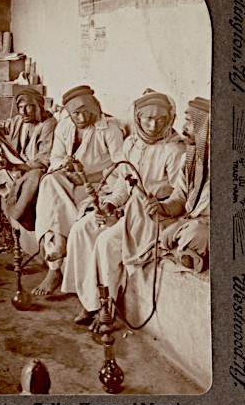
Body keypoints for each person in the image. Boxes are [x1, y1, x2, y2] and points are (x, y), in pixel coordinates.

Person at [60, 90, 186, 328]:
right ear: (137, 118)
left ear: (170, 118)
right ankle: (89, 300)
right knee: (83, 229)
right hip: (129, 210)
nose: (153, 125)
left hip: (153, 216)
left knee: (107, 241)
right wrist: (109, 205)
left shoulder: (174, 150)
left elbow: (178, 196)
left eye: (160, 119)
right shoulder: (132, 144)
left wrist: (159, 204)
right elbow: (122, 184)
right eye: (147, 118)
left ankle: (106, 307)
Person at [31, 85, 125, 296]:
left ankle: (55, 262)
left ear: (96, 107)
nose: (81, 117)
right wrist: (66, 165)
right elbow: (54, 158)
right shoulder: (64, 127)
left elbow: (121, 166)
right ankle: (60, 245)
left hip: (99, 186)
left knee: (54, 199)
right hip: (71, 182)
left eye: (85, 111)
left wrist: (89, 177)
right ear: (69, 114)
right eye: (76, 113)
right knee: (49, 181)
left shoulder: (110, 129)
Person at [0, 88, 57, 241]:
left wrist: (15, 167)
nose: (23, 112)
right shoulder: (20, 120)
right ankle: (7, 185)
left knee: (36, 174)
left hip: (32, 168)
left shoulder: (49, 124)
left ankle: (12, 194)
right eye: (20, 107)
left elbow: (44, 160)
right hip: (16, 164)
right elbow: (2, 126)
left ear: (38, 106)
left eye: (27, 106)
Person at [152, 97, 210, 273]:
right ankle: (184, 252)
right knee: (148, 223)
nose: (183, 128)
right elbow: (180, 197)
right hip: (189, 219)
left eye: (190, 123)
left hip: (209, 224)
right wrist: (161, 206)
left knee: (194, 234)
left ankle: (184, 252)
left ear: (208, 129)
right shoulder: (190, 157)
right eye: (185, 121)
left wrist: (180, 225)